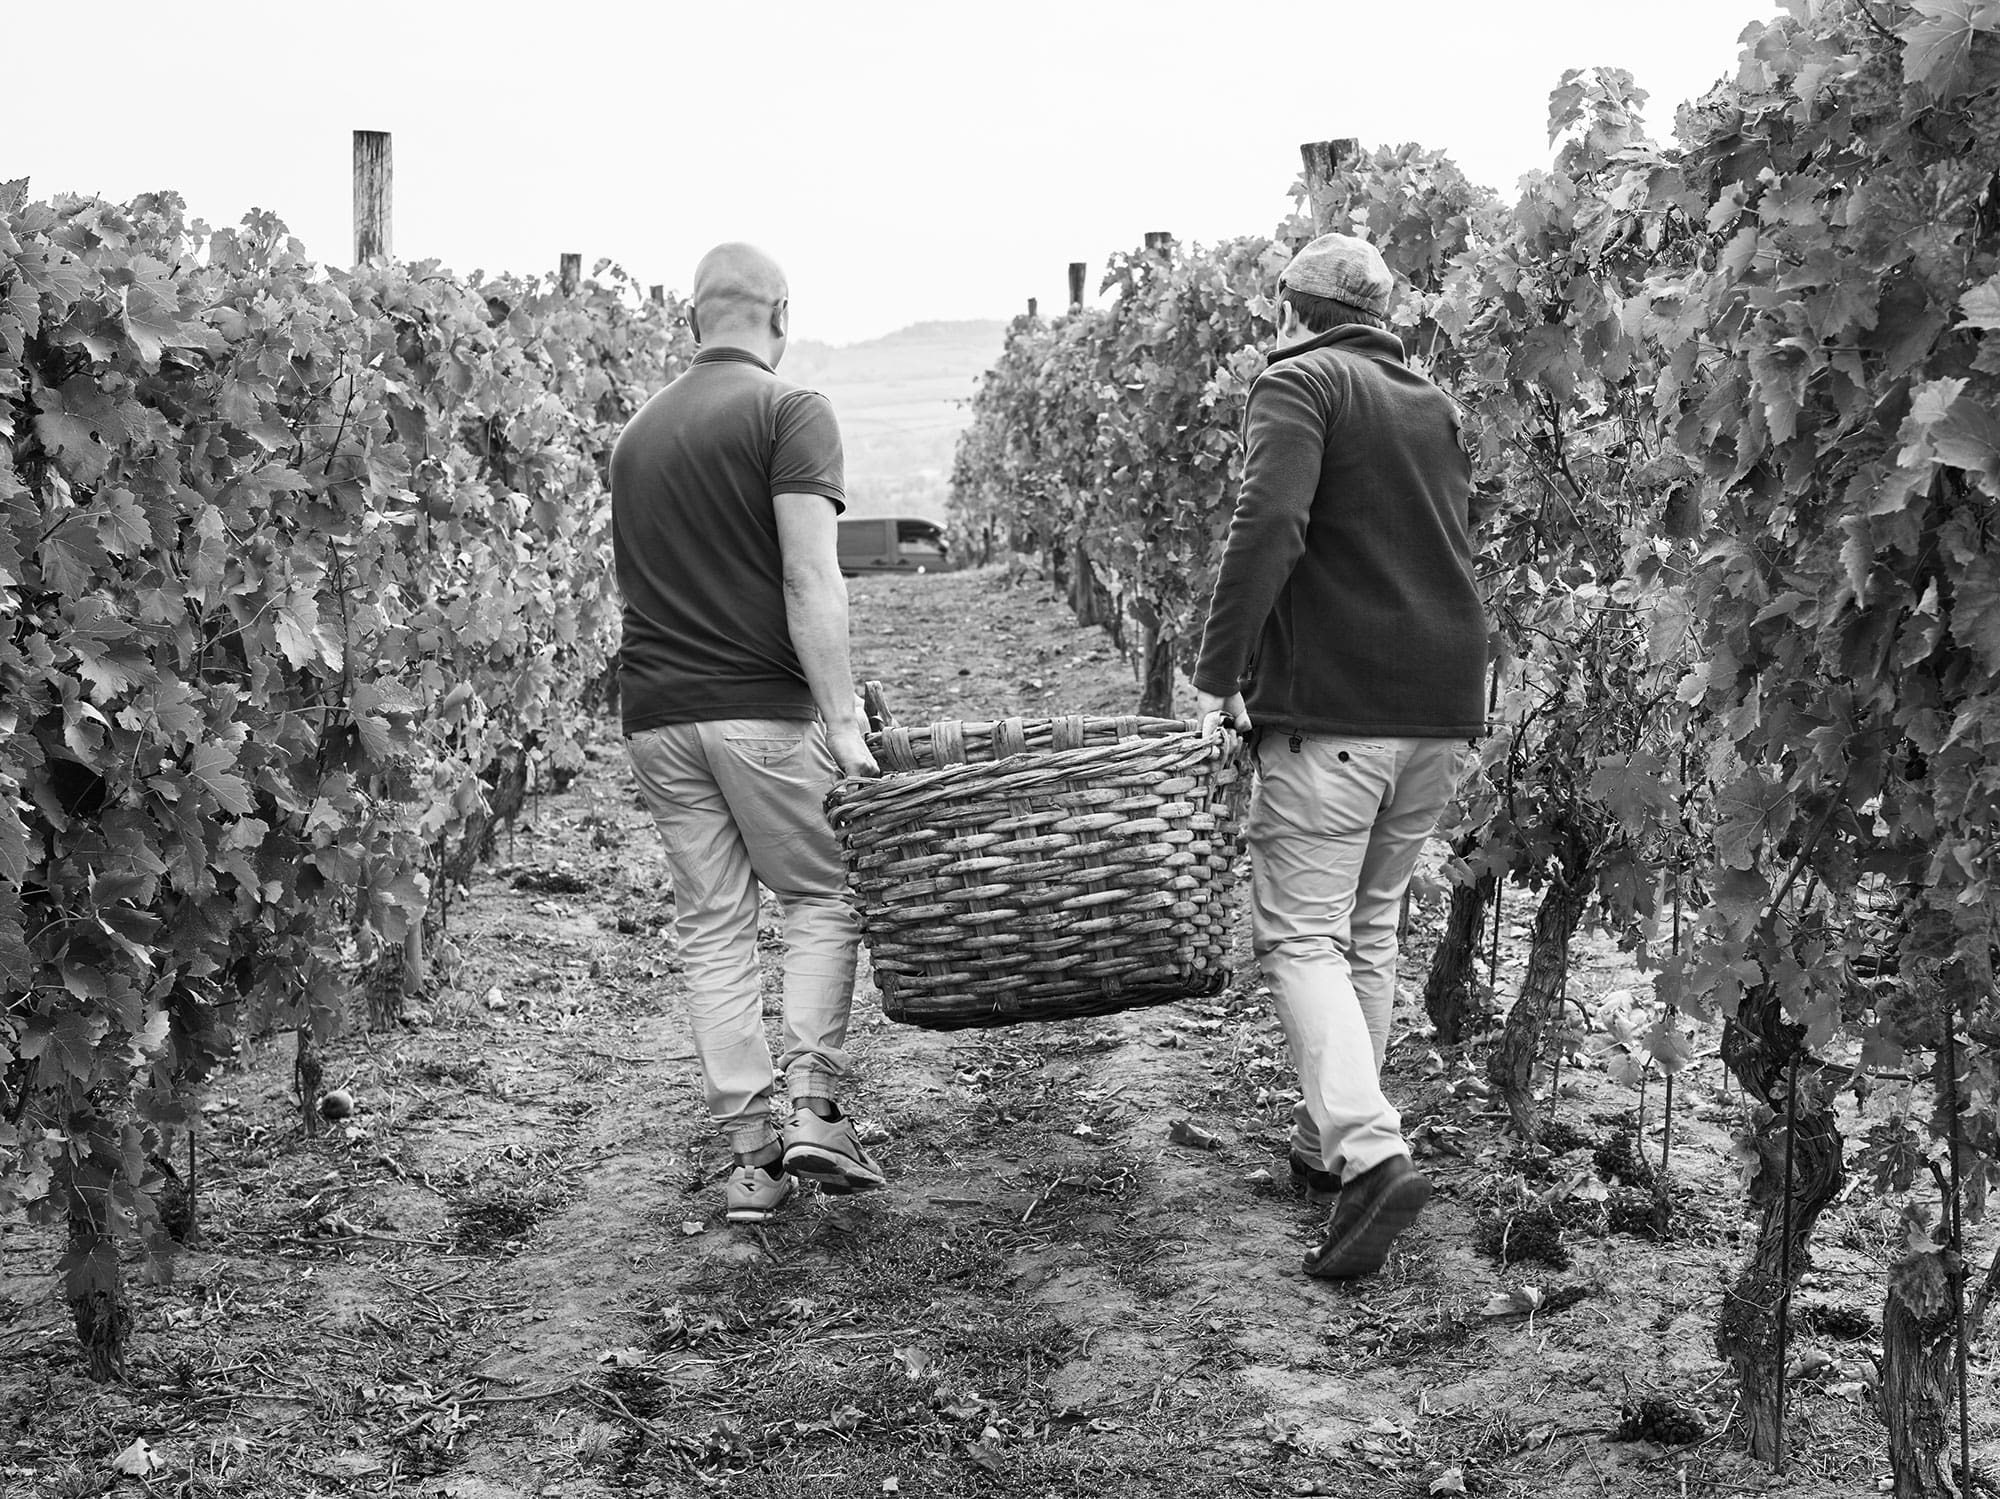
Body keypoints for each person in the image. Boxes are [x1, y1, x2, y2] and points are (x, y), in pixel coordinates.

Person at [1192, 232, 1486, 1280]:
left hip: (1338, 705)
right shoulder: (1430, 401)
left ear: (1291, 306)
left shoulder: (1299, 382)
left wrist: (1215, 673)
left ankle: (1367, 1153)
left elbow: (1265, 520)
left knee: (1299, 936)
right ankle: (1331, 1148)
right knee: (1365, 927)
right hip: (1442, 704)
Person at [610, 242, 884, 1225]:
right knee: (819, 890)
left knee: (713, 925)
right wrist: (843, 721)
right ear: (779, 315)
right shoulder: (788, 411)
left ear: (693, 322)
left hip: (655, 718)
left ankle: (750, 1160)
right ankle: (814, 1107)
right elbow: (810, 577)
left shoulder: (635, 435)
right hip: (761, 707)